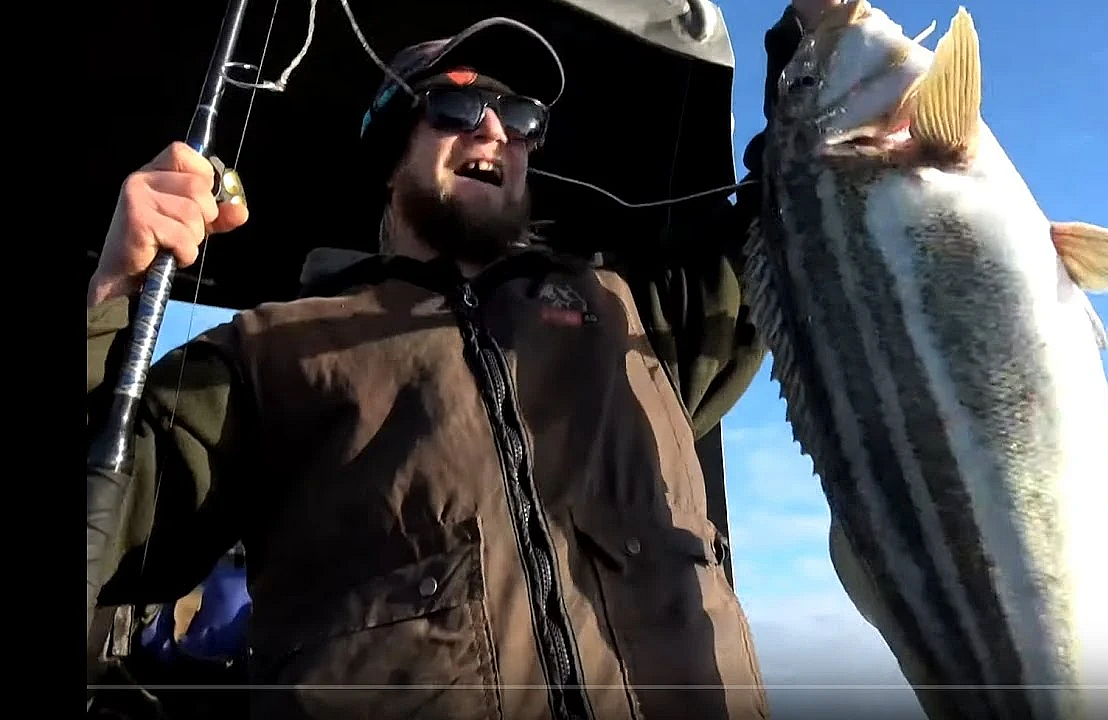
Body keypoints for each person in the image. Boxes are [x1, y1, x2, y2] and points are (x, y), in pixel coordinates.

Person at [87, 3, 835, 719]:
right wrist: (112, 291)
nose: (493, 129)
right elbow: (107, 527)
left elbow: (793, 220)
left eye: (520, 118)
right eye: (454, 106)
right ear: (390, 155)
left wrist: (819, 34)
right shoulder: (271, 350)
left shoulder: (626, 315)